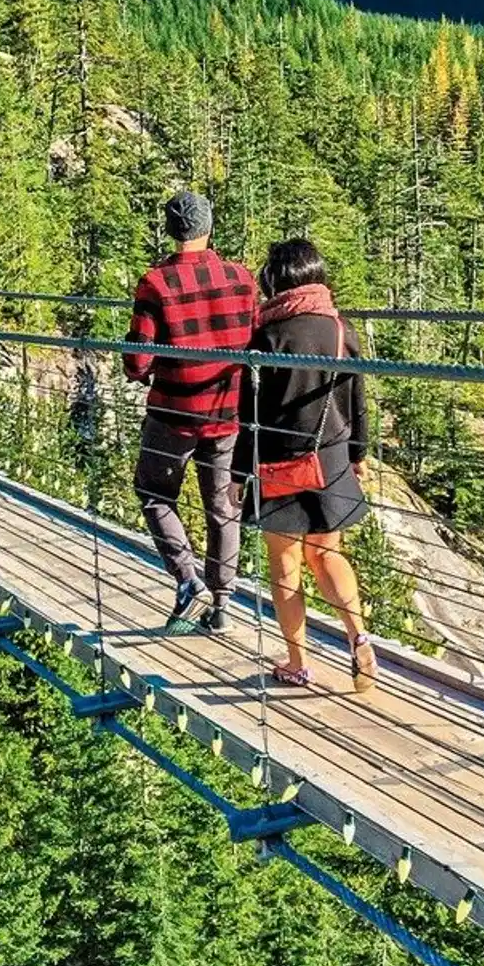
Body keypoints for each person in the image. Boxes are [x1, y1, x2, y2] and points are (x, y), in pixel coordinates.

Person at [236, 238, 376, 693]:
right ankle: (359, 638)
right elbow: (356, 402)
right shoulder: (341, 329)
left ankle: (298, 663)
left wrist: (240, 473)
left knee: (285, 564)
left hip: (281, 462)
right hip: (332, 458)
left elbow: (248, 417)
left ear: (276, 281)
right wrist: (357, 457)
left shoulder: (268, 337)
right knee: (327, 552)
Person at [124, 190, 257, 635]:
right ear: (209, 226)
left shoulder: (155, 283)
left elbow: (138, 360)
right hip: (226, 411)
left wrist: (144, 371)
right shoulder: (241, 278)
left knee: (155, 493)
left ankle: (187, 579)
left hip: (173, 412)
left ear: (169, 228)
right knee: (222, 507)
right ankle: (221, 604)